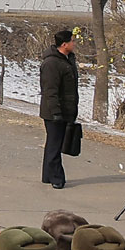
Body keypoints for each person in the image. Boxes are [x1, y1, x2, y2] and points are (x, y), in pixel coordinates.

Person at [39, 27, 79, 190]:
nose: (74, 43)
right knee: (55, 144)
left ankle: (47, 176)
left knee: (53, 143)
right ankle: (57, 178)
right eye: (72, 41)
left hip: (66, 109)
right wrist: (56, 112)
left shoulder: (68, 59)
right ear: (64, 44)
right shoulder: (52, 63)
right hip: (54, 112)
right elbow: (50, 90)